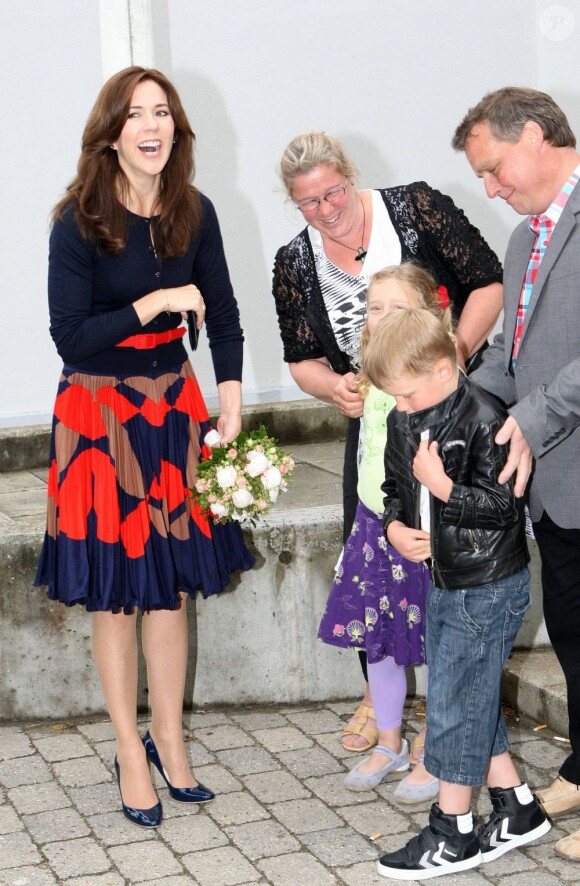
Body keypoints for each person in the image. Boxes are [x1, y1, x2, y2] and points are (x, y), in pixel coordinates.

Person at [34, 66, 255, 829]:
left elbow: (223, 315)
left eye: (163, 112)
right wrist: (155, 301)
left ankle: (168, 733)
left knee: (169, 584)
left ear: (177, 130)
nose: (152, 126)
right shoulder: (79, 221)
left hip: (175, 414)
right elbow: (72, 337)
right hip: (99, 419)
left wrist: (228, 405)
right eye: (136, 115)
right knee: (115, 589)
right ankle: (128, 746)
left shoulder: (195, 211)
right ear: (112, 133)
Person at [272, 131, 503, 752]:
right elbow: (301, 358)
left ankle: (453, 699)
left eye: (333, 193)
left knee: (450, 553)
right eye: (309, 203)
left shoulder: (415, 208)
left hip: (448, 413)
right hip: (374, 429)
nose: (325, 210)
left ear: (350, 175)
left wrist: (444, 359)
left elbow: (487, 283)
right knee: (373, 561)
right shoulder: (295, 262)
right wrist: (335, 391)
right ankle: (382, 697)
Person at [362, 307, 550, 879]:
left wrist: (444, 488)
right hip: (444, 578)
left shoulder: (483, 418)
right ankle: (516, 808)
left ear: (444, 370)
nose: (402, 407)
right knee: (466, 694)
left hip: (488, 584)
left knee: (451, 703)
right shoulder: (404, 417)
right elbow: (394, 486)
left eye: (409, 395)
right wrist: (395, 526)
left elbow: (504, 507)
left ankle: (453, 832)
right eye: (393, 397)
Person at [452, 86, 580, 863]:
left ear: (534, 135)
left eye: (494, 169)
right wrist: (456, 401)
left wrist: (528, 419)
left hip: (562, 449)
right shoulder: (525, 238)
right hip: (556, 489)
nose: (491, 188)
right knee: (571, 630)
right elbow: (516, 352)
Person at [319, 265, 447, 803]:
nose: (381, 317)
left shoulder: (432, 391)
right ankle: (391, 738)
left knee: (438, 643)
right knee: (382, 643)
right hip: (375, 529)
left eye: (397, 308)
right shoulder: (369, 384)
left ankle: (436, 746)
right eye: (374, 308)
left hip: (422, 539)